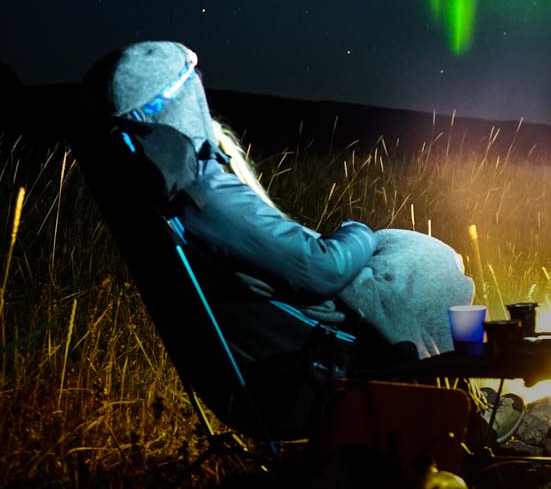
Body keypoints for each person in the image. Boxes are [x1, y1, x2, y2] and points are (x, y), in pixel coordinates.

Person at [80, 41, 478, 435]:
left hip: (284, 354)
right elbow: (322, 267)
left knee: (415, 257)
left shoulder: (161, 198)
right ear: (181, 104)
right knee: (438, 268)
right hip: (315, 367)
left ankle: (466, 402)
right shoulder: (206, 198)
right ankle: (470, 413)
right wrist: (357, 229)